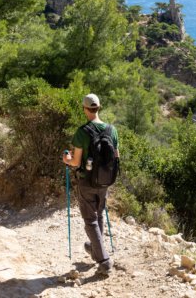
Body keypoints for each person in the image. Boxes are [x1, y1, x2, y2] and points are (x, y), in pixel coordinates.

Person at [62, 93, 119, 274]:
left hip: (86, 182)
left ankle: (104, 261)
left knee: (90, 220)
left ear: (84, 109)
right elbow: (116, 157)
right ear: (99, 107)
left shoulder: (82, 132)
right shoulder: (112, 130)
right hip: (105, 181)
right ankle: (96, 249)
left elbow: (76, 163)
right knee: (99, 215)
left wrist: (66, 159)